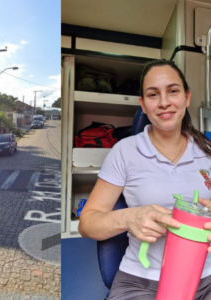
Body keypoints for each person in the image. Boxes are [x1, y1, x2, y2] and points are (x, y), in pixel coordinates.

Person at [78, 59, 211, 299]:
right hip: (141, 282)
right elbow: (87, 224)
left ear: (187, 97)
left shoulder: (208, 151)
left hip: (207, 277)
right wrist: (129, 217)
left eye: (173, 91)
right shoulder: (124, 151)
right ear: (143, 104)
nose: (164, 102)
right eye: (153, 94)